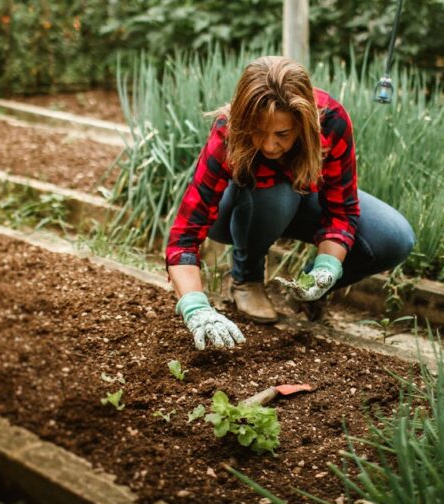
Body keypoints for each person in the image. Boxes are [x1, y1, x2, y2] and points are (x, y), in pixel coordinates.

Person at [166, 56, 416, 350]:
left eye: (282, 134)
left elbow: (342, 210)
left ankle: (308, 290)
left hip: (301, 199)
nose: (269, 145)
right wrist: (196, 308)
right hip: (234, 211)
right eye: (258, 132)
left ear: (303, 122)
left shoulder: (330, 120)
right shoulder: (229, 131)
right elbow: (184, 235)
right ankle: (246, 279)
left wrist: (328, 266)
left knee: (395, 237)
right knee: (275, 192)